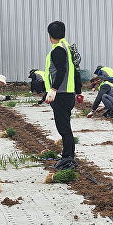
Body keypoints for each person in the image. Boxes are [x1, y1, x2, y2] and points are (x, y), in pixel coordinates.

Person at [44, 21, 77, 170]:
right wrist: (79, 91)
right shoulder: (67, 47)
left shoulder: (58, 49)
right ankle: (68, 155)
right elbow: (75, 70)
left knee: (63, 128)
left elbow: (62, 71)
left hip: (61, 94)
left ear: (50, 35)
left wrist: (53, 89)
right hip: (68, 92)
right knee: (66, 127)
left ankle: (68, 158)